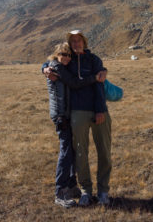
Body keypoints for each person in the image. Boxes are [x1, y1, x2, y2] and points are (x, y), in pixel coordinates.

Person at [44, 30, 111, 206]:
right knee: (80, 153)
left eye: (78, 40)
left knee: (104, 151)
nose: (76, 44)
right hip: (77, 112)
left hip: (99, 110)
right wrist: (44, 68)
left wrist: (100, 109)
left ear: (84, 42)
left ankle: (103, 191)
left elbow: (99, 84)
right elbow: (52, 61)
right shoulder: (68, 60)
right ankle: (86, 191)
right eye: (72, 41)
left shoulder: (94, 60)